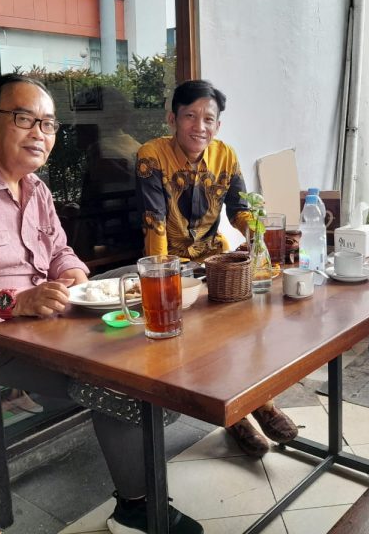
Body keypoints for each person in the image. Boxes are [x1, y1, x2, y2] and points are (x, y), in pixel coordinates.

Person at [0, 74, 203, 534]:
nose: (39, 133)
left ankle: (158, 421)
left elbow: (60, 252)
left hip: (45, 320)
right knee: (119, 379)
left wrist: (77, 278)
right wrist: (16, 302)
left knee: (143, 296)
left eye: (48, 124)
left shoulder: (36, 189)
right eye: (24, 119)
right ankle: (137, 508)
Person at [135, 79, 299, 457]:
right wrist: (163, 279)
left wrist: (261, 236)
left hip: (215, 262)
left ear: (218, 125)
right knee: (206, 343)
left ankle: (262, 400)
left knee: (251, 329)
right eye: (190, 116)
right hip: (172, 264)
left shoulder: (226, 155)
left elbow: (239, 210)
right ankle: (234, 417)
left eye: (208, 119)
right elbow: (154, 223)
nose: (200, 126)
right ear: (172, 119)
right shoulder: (151, 156)